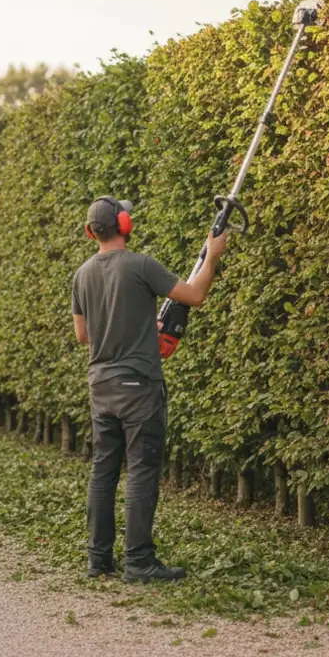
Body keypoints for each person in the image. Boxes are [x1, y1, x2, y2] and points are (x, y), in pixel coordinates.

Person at [71, 196, 228, 583]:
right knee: (141, 471)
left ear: (92, 232)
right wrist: (212, 257)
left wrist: (128, 328)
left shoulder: (81, 274)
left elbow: (82, 336)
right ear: (126, 224)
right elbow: (195, 295)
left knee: (103, 470)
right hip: (138, 387)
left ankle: (99, 560)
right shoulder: (141, 265)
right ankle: (139, 562)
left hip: (101, 386)